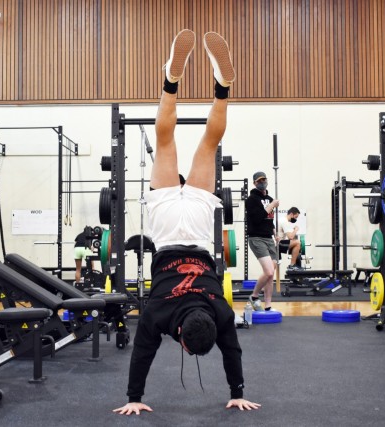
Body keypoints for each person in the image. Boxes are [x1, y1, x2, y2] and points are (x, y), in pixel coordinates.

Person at [113, 29, 260, 416]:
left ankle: (222, 88)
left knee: (208, 144)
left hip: (195, 227)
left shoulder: (221, 311)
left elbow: (233, 348)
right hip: (165, 228)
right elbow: (143, 351)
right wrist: (133, 398)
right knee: (166, 143)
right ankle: (171, 81)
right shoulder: (158, 313)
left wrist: (238, 389)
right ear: (179, 338)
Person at [245, 171, 279, 311]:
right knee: (269, 272)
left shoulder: (270, 198)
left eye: (264, 180)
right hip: (257, 238)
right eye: (259, 181)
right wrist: (271, 206)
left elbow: (270, 221)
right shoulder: (251, 199)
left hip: (269, 238)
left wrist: (275, 234)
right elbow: (257, 218)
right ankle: (254, 296)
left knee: (270, 275)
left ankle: (268, 305)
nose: (262, 182)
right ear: (254, 183)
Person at [277, 207, 302, 271]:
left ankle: (293, 264)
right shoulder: (284, 221)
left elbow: (290, 237)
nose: (295, 219)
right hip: (278, 244)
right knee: (298, 243)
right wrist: (296, 230)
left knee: (296, 243)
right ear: (291, 214)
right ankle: (292, 265)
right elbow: (290, 237)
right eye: (295, 217)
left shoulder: (283, 220)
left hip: (279, 242)